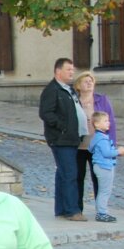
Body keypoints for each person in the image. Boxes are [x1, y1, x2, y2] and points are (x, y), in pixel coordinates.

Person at [38, 57, 88, 221]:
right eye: (68, 69)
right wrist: (63, 127)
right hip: (61, 139)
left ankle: (61, 209)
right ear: (58, 71)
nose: (72, 72)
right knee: (69, 173)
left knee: (63, 173)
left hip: (72, 138)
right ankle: (72, 210)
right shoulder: (52, 90)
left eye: (72, 70)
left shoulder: (69, 89)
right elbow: (46, 113)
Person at [73, 70, 115, 213]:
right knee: (78, 178)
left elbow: (111, 124)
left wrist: (111, 146)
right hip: (79, 147)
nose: (90, 82)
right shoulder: (73, 101)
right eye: (86, 80)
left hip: (98, 147)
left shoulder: (101, 100)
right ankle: (77, 209)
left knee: (99, 178)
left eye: (91, 80)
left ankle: (101, 210)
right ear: (78, 85)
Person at [87, 111, 124, 223]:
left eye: (108, 120)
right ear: (96, 124)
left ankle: (101, 211)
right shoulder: (102, 139)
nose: (109, 123)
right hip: (104, 167)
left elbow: (90, 149)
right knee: (105, 191)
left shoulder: (97, 137)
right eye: (105, 121)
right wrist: (119, 151)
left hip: (100, 166)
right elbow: (107, 153)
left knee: (103, 190)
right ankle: (102, 213)